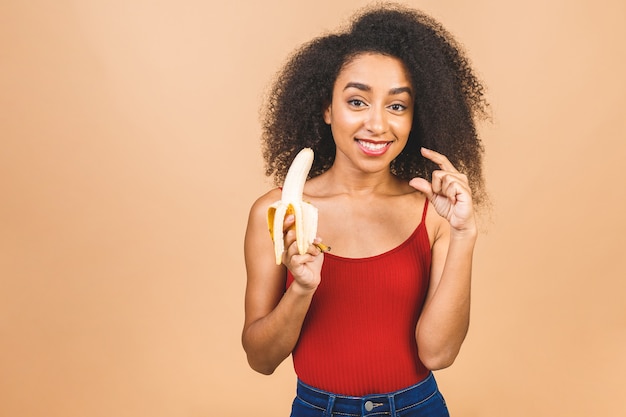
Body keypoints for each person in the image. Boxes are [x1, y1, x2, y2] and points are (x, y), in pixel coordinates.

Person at [242, 4, 489, 416]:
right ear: (326, 108)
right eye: (357, 102)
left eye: (396, 106)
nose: (377, 124)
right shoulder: (279, 211)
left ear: (415, 118)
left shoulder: (434, 217)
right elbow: (260, 359)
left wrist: (464, 235)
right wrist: (300, 290)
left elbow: (439, 353)